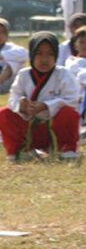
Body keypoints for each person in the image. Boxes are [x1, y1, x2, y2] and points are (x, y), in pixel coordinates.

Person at [0, 32, 80, 161]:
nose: (44, 59)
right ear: (32, 55)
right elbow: (13, 98)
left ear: (56, 55)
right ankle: (19, 150)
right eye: (39, 54)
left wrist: (45, 106)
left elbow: (73, 100)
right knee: (4, 113)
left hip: (55, 129)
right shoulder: (23, 74)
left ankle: (65, 149)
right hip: (30, 129)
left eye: (50, 54)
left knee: (69, 113)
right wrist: (21, 105)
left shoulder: (64, 74)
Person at [0, 18, 27, 94]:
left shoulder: (10, 47)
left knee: (14, 63)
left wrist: (2, 55)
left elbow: (25, 54)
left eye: (3, 32)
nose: (0, 35)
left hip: (6, 82)